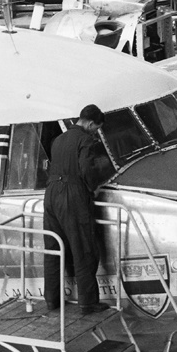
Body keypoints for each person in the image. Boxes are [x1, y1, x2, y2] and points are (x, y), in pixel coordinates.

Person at [43, 105, 113, 315]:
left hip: (51, 194)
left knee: (53, 250)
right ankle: (88, 303)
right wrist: (94, 187)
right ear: (91, 124)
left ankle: (51, 300)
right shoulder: (86, 141)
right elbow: (87, 171)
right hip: (71, 195)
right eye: (96, 128)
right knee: (83, 249)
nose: (95, 132)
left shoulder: (59, 139)